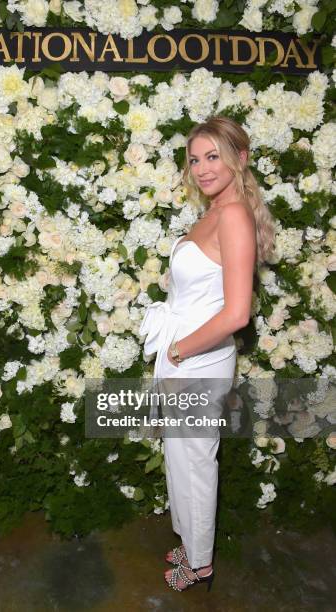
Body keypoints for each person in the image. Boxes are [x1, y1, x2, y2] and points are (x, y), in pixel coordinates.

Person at [139, 115, 275, 593]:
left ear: (241, 158)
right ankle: (192, 543)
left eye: (213, 156)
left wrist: (178, 349)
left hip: (197, 358)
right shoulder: (217, 211)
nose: (201, 168)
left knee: (194, 463)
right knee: (182, 457)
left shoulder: (233, 216)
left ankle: (200, 567)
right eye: (195, 159)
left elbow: (237, 313)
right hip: (188, 355)